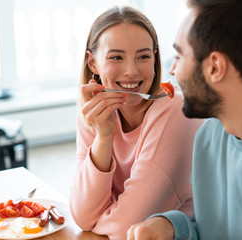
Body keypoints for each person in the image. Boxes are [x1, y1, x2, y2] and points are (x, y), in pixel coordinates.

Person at [127, 0, 242, 239]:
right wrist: (171, 227)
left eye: (179, 56)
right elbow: (213, 230)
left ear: (214, 67)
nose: (172, 70)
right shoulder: (209, 136)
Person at [68, 6, 203, 240]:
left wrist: (99, 220)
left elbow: (126, 228)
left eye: (143, 56)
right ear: (92, 63)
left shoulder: (174, 112)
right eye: (116, 57)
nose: (131, 71)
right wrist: (104, 138)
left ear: (155, 58)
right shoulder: (94, 113)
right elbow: (81, 215)